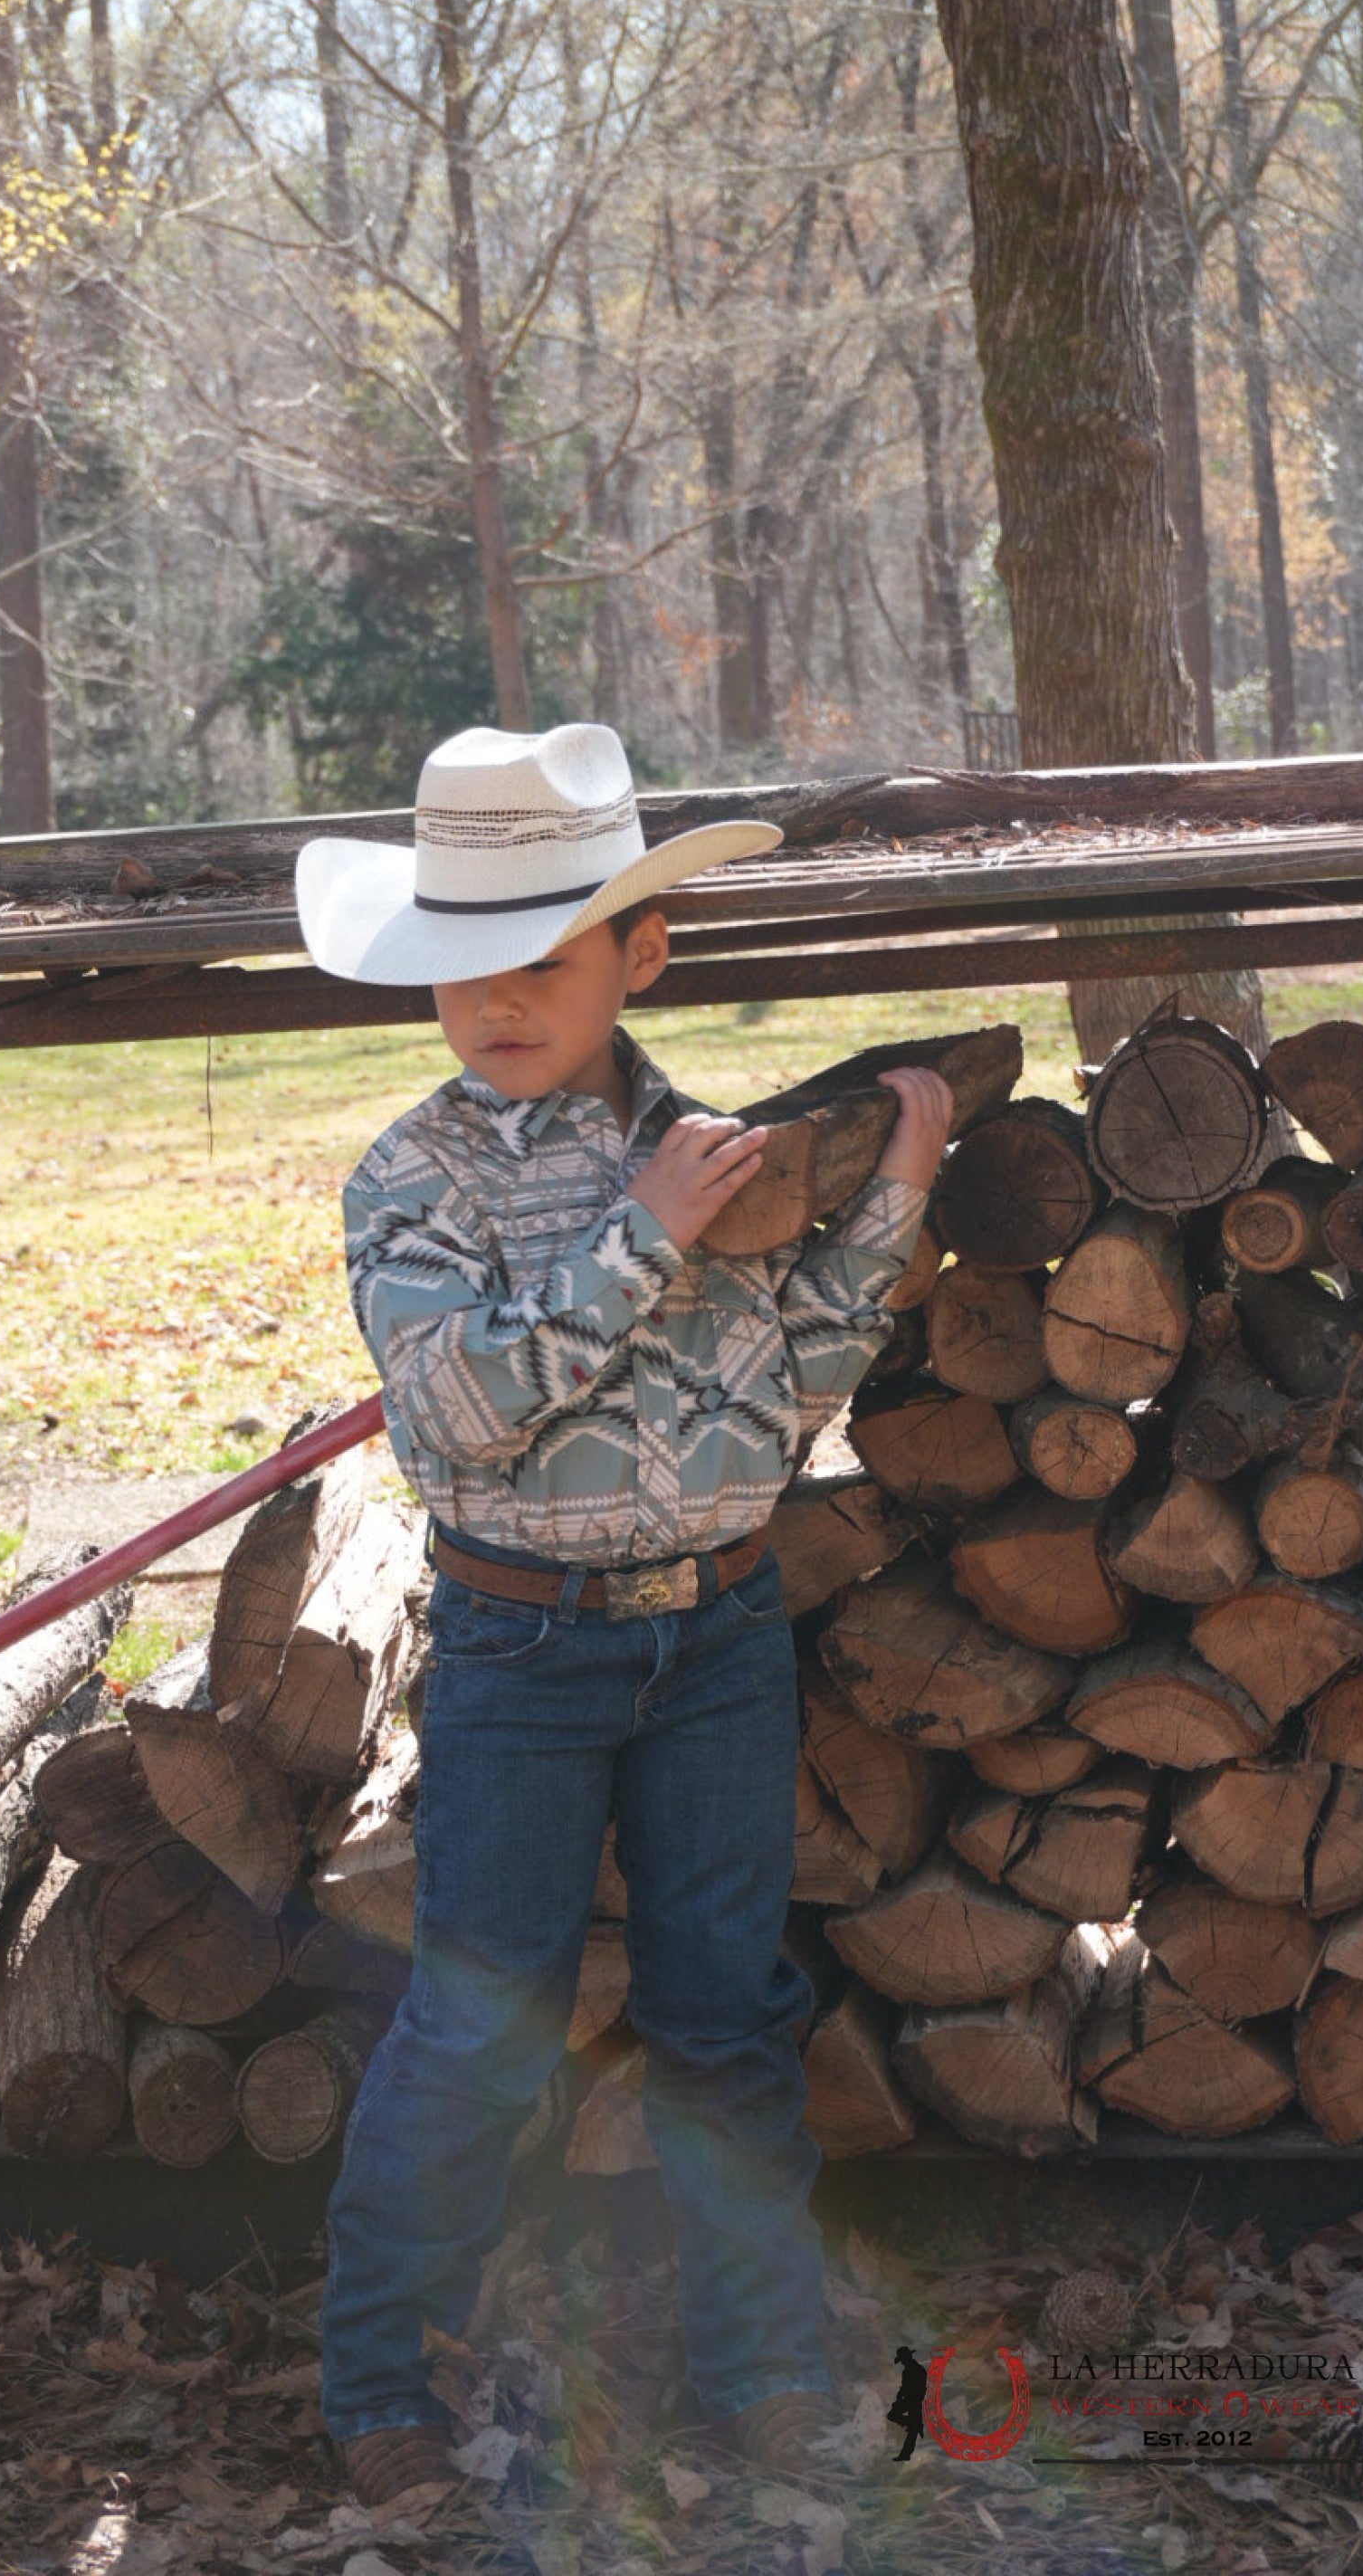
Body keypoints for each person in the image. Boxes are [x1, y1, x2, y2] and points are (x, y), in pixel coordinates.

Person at [293, 722, 952, 2513]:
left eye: (544, 958)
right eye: (459, 969)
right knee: (478, 2015)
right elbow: (455, 1415)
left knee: (723, 2015)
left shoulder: (733, 1157)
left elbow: (787, 1389)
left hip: (718, 1638)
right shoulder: (409, 1179)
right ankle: (379, 2387)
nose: (496, 1001)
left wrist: (885, 1204)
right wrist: (638, 1239)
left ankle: (751, 2376)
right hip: (520, 1646)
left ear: (638, 955)